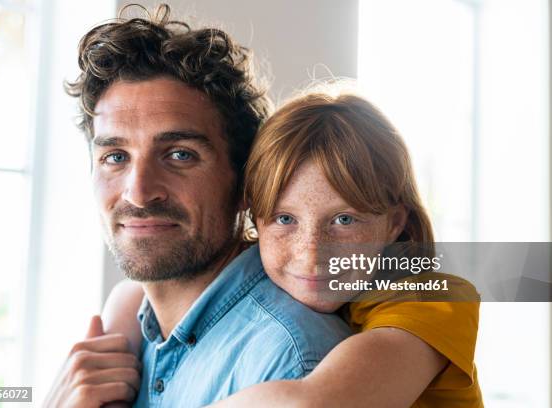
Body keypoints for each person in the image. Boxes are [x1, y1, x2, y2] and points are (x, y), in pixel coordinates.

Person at [43, 5, 352, 407]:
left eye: (179, 155)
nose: (138, 193)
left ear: (246, 184)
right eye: (115, 156)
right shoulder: (126, 332)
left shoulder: (289, 359)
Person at [105, 87, 484, 407]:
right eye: (285, 220)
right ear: (255, 217)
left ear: (395, 223)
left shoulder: (434, 299)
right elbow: (131, 292)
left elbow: (311, 402)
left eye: (344, 220)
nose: (311, 253)